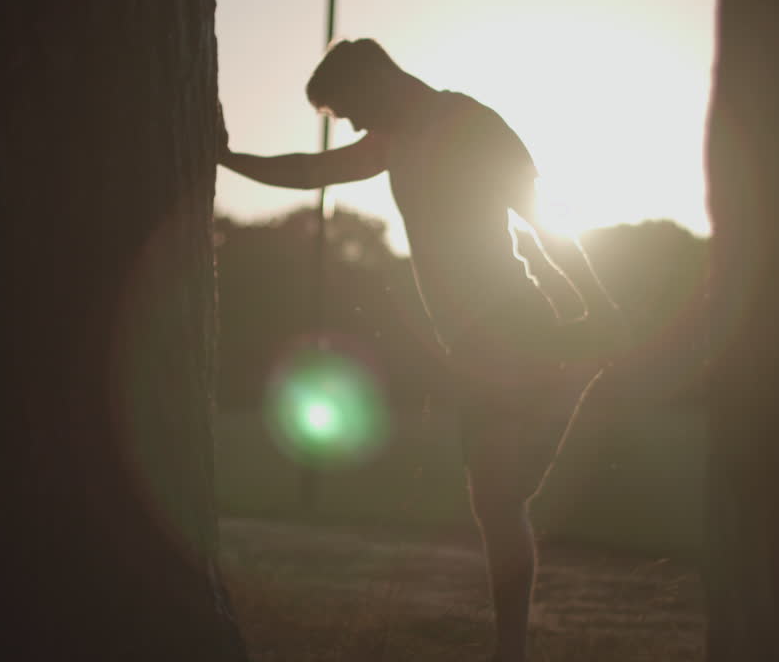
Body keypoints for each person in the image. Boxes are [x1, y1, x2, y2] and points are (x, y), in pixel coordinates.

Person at [218, 38, 627, 662]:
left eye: (347, 108)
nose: (350, 124)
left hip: (509, 324)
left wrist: (597, 307)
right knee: (497, 499)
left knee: (498, 498)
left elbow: (541, 221)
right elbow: (308, 170)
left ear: (375, 79)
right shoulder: (393, 139)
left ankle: (578, 369)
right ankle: (575, 372)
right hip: (473, 340)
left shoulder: (468, 123)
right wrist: (224, 157)